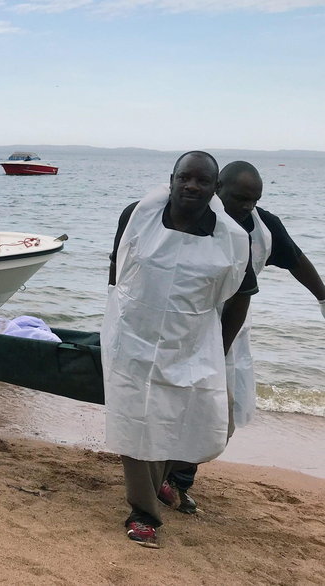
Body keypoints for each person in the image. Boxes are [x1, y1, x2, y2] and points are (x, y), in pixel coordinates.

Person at [103, 151, 256, 548]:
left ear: (214, 188)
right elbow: (118, 266)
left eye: (202, 181)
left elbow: (239, 296)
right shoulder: (138, 216)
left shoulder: (232, 239)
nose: (191, 186)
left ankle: (163, 484)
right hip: (134, 338)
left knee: (194, 423)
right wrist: (119, 313)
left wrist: (219, 350)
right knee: (136, 423)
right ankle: (143, 513)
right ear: (171, 179)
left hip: (192, 343)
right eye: (184, 178)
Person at [161, 160, 325, 513]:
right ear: (218, 189)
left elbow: (296, 259)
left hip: (233, 334)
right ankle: (161, 478)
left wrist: (323, 296)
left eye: (254, 200)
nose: (247, 207)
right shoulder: (192, 219)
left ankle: (176, 478)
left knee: (221, 413)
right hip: (181, 327)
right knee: (173, 404)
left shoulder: (265, 228)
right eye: (240, 199)